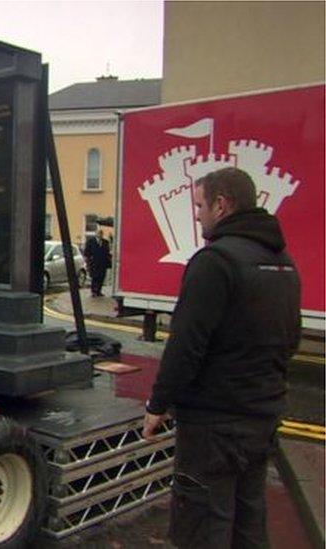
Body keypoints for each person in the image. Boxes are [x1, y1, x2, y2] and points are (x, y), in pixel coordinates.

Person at [142, 167, 301, 548]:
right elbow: (290, 339)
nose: (197, 215)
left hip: (212, 425)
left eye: (200, 205)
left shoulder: (215, 262)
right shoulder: (284, 263)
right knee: (249, 519)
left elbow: (186, 345)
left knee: (203, 523)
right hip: (261, 417)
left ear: (222, 204)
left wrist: (158, 404)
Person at [83, 229, 111, 296]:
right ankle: (93, 291)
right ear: (96, 234)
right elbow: (86, 252)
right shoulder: (90, 241)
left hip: (102, 263)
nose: (100, 235)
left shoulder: (105, 242)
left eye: (101, 234)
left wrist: (108, 260)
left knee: (101, 278)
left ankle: (99, 291)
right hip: (94, 263)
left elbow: (107, 253)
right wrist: (88, 262)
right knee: (94, 277)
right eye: (98, 233)